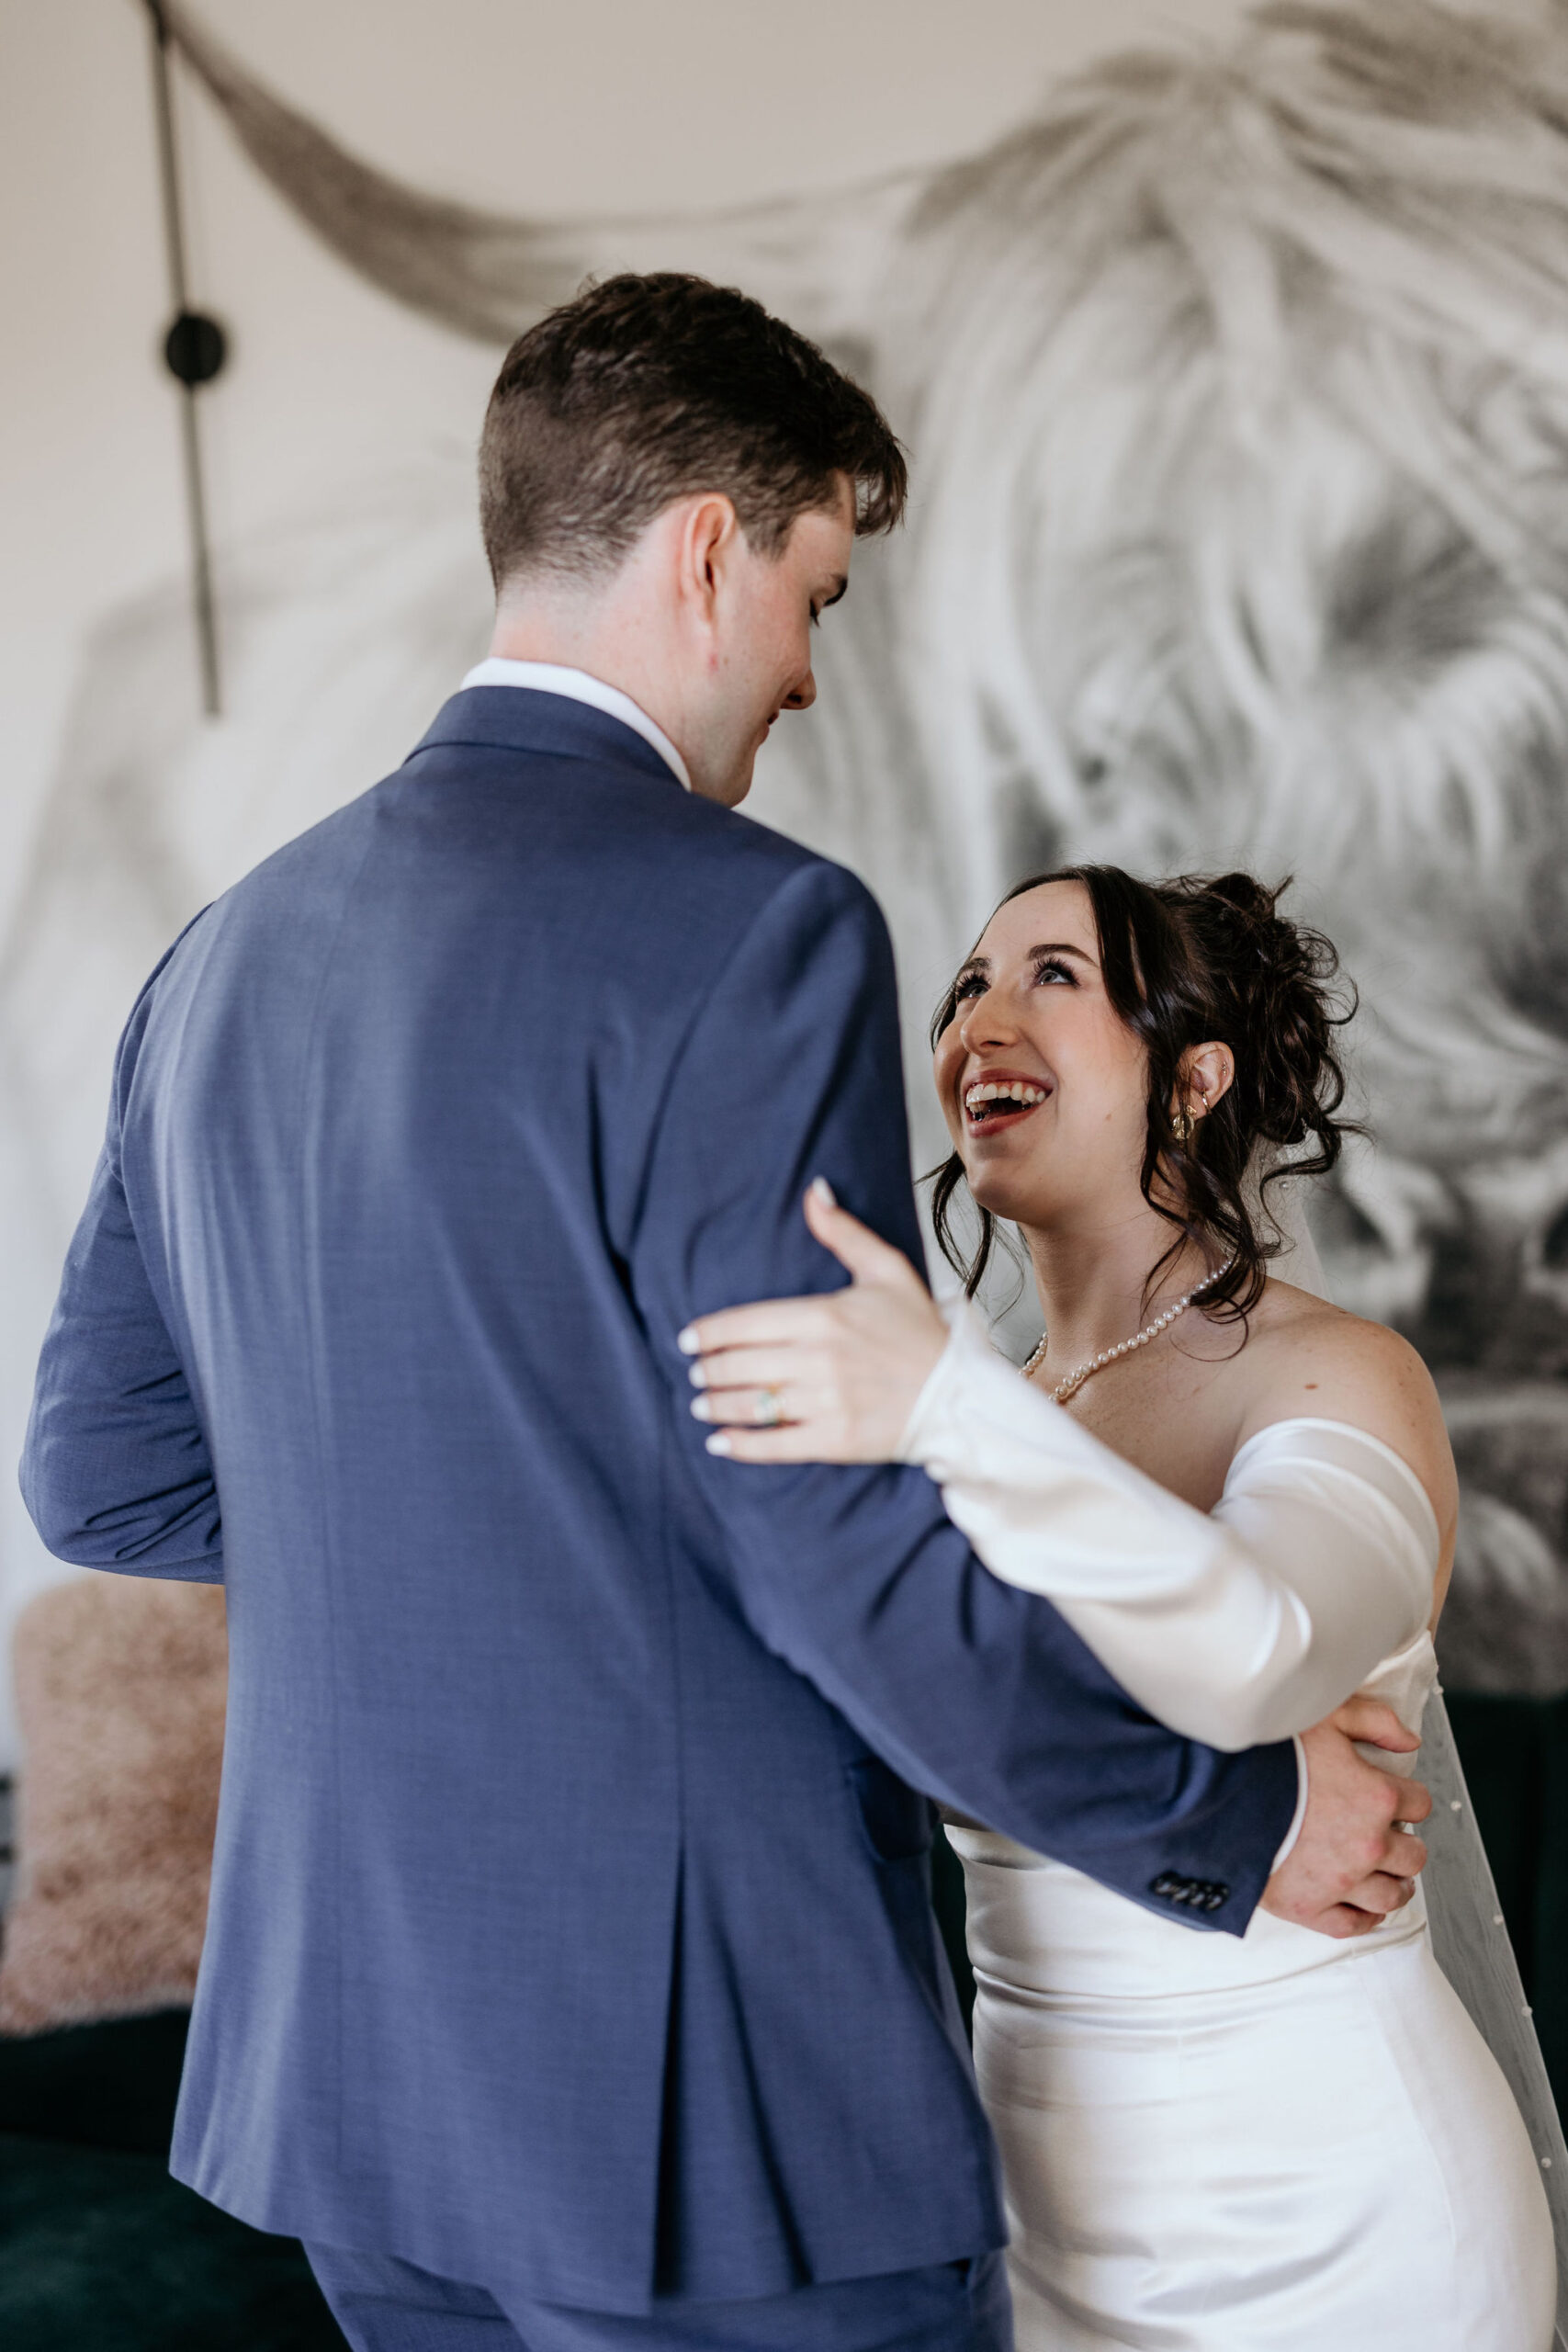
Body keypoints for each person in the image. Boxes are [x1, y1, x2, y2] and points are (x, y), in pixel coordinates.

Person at [21, 280, 1427, 2352]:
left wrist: (487, 1499)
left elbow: (103, 1475)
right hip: (704, 2124)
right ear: (704, 550)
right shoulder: (746, 923)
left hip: (355, 2105)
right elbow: (834, 1565)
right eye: (815, 595)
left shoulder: (222, 962)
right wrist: (1229, 1816)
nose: (798, 679)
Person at [682, 864, 1558, 2348]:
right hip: (1036, 2200)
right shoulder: (961, 1417)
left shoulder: (1332, 1373)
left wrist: (947, 1399)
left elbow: (1260, 1660)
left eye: (1054, 977)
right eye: (966, 985)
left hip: (1343, 2207)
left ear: (1193, 1080)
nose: (980, 1021)